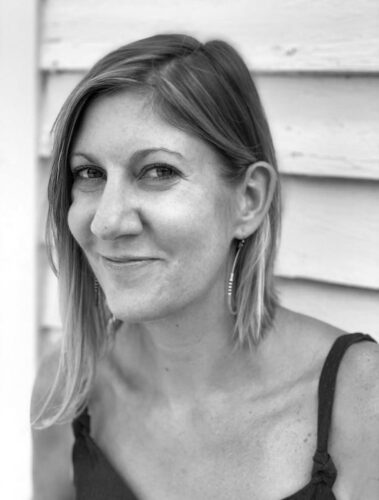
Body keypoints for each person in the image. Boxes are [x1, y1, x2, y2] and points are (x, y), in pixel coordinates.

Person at [31, 34, 379, 500]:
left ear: (248, 200)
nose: (108, 221)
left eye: (158, 171)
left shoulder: (361, 399)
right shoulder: (68, 388)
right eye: (89, 174)